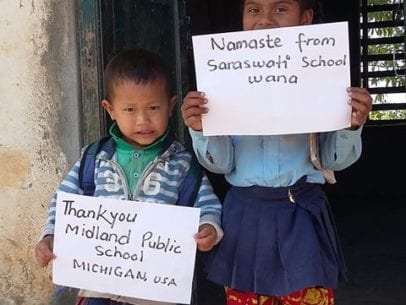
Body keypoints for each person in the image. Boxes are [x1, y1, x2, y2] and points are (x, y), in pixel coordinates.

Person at [181, 0, 373, 305]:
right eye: (254, 10)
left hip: (301, 214)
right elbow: (222, 164)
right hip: (244, 217)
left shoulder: (322, 75)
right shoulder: (223, 78)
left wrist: (350, 126)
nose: (265, 20)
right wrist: (200, 128)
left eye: (280, 9)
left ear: (305, 18)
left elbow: (333, 160)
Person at [35, 48, 223, 305]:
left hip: (157, 293)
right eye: (130, 109)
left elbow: (208, 205)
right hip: (98, 290)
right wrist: (50, 236)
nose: (143, 120)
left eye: (153, 107)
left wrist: (208, 229)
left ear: (170, 107)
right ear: (110, 109)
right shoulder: (94, 159)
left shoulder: (182, 165)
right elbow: (64, 202)